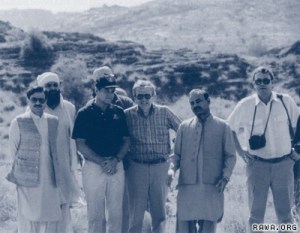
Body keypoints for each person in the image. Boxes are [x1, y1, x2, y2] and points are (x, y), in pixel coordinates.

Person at [227, 66, 299, 232]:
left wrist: (298, 150)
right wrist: (240, 151)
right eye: (258, 81)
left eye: (266, 80)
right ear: (253, 84)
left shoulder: (286, 101)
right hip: (257, 166)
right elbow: (229, 128)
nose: (262, 84)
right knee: (256, 215)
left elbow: (298, 128)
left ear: (272, 83)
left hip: (284, 164)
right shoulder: (245, 105)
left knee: (286, 215)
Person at [168, 89, 236, 233]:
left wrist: (225, 177)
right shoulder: (184, 127)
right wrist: (171, 170)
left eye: (198, 101)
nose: (195, 105)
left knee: (208, 227)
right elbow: (176, 155)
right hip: (187, 188)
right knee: (184, 227)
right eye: (192, 103)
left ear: (208, 101)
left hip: (211, 186)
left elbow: (230, 155)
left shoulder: (223, 126)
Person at [72, 70, 130, 233]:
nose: (110, 94)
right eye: (106, 90)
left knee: (115, 214)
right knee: (95, 214)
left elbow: (126, 140)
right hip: (93, 166)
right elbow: (80, 144)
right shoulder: (84, 113)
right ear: (96, 90)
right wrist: (101, 162)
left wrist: (116, 159)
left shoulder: (118, 112)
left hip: (116, 165)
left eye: (112, 91)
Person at [125, 79, 181, 233]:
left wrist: (174, 155)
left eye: (147, 96)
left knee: (159, 214)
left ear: (153, 95)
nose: (143, 100)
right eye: (139, 96)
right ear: (134, 97)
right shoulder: (127, 115)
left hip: (160, 167)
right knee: (136, 214)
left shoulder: (165, 112)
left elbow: (182, 131)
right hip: (136, 167)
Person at [7, 85, 65, 233]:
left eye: (41, 100)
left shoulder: (53, 121)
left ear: (46, 101)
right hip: (27, 178)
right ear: (28, 100)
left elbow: (56, 149)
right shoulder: (18, 121)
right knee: (28, 216)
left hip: (50, 176)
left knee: (50, 213)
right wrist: (23, 172)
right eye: (34, 100)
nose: (38, 103)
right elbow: (13, 152)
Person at [86, 66, 135, 233]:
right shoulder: (89, 107)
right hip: (97, 164)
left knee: (121, 208)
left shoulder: (125, 102)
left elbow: (130, 134)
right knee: (97, 210)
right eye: (102, 77)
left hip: (123, 162)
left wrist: (120, 158)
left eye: (109, 76)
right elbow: (84, 139)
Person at [36, 72, 82, 233]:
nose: (53, 88)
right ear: (41, 88)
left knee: (64, 207)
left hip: (63, 165)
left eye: (55, 85)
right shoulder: (34, 107)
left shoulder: (69, 108)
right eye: (48, 86)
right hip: (43, 166)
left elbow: (73, 137)